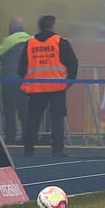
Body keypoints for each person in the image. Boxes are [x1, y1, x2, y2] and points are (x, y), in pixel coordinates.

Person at [17, 15, 78, 159]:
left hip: (36, 87)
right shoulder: (60, 42)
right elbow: (73, 62)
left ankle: (29, 149)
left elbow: (21, 67)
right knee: (57, 119)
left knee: (33, 119)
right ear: (53, 26)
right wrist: (69, 81)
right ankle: (57, 150)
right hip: (56, 86)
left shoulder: (30, 43)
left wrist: (27, 80)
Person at [0, 17, 31, 144]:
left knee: (9, 111)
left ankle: (10, 138)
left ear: (11, 26)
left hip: (10, 80)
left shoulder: (9, 40)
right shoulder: (31, 39)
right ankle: (27, 137)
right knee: (24, 111)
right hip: (26, 80)